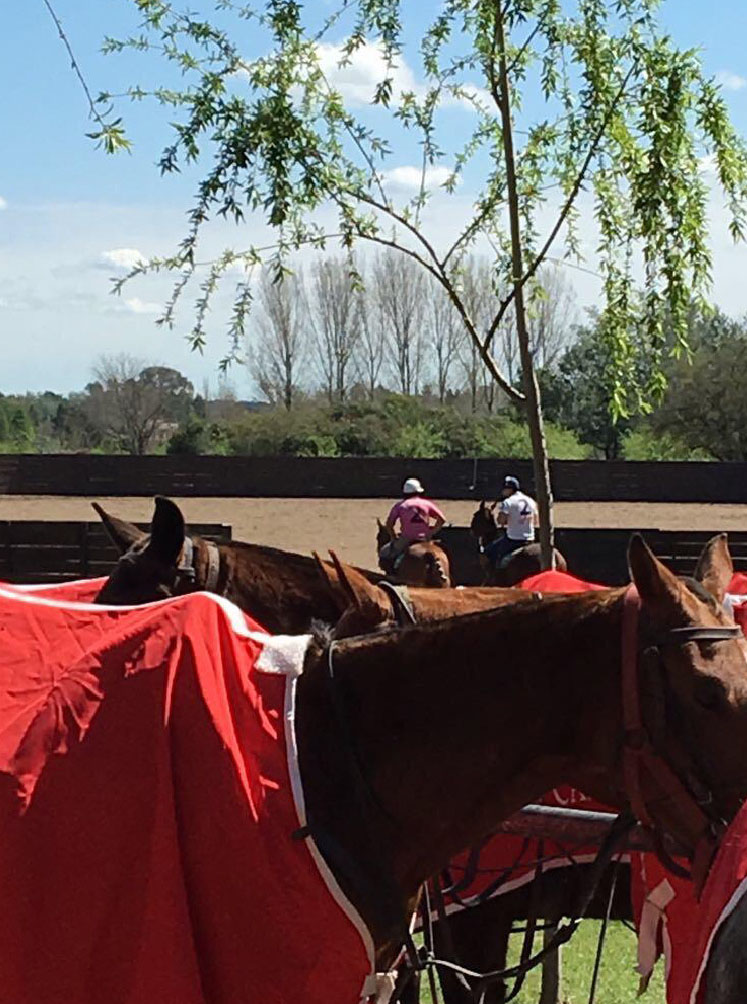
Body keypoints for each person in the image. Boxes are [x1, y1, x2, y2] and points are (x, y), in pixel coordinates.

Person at [381, 478, 446, 566]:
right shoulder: (427, 504)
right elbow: (442, 519)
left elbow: (389, 525)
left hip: (406, 538)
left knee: (384, 552)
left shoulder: (400, 506)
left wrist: (393, 537)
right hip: (424, 538)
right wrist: (431, 532)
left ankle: (392, 574)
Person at [484, 475, 539, 568]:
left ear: (510, 489)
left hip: (513, 540)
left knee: (490, 552)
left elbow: (501, 521)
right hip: (530, 539)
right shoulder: (530, 501)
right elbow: (536, 521)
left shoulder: (507, 502)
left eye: (505, 488)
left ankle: (495, 577)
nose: (503, 491)